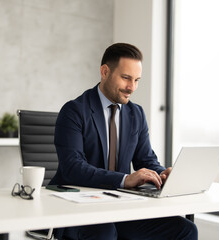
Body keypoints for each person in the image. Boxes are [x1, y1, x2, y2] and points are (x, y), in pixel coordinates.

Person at [49, 43, 198, 240]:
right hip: (77, 209)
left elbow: (145, 159)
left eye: (137, 80)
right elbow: (73, 168)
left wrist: (162, 175)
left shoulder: (136, 114)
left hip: (118, 206)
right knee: (105, 233)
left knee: (186, 230)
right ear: (104, 72)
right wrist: (125, 180)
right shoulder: (74, 111)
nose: (132, 87)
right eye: (126, 78)